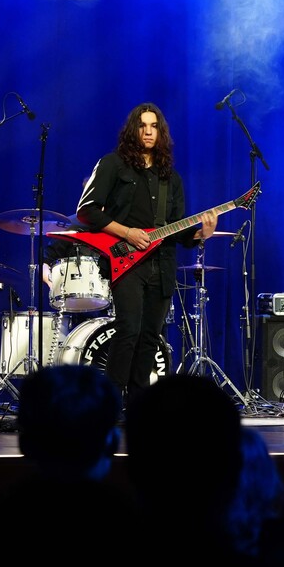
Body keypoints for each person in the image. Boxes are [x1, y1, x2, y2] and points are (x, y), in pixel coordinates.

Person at [67, 103, 216, 407]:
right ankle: (108, 404)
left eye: (154, 126)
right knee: (129, 331)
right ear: (133, 130)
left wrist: (201, 233)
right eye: (142, 125)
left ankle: (138, 406)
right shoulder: (113, 164)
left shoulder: (170, 178)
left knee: (150, 336)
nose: (148, 131)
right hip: (126, 262)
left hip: (162, 265)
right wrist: (126, 232)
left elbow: (175, 228)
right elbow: (87, 211)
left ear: (161, 132)